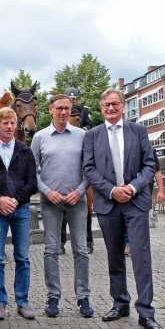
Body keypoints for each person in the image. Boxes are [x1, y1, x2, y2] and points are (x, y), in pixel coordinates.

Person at [83, 88, 160, 329]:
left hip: (135, 203)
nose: (111, 108)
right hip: (108, 203)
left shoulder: (138, 131)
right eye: (106, 105)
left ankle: (146, 312)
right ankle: (120, 302)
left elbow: (150, 165)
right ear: (101, 107)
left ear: (123, 106)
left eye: (115, 104)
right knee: (114, 256)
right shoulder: (92, 135)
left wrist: (133, 187)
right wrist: (111, 190)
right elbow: (89, 169)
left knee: (140, 256)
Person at [31, 94, 94, 319]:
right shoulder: (40, 137)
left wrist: (79, 192)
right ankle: (53, 296)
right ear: (50, 110)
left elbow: (90, 169)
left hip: (77, 201)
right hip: (51, 202)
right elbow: (32, 171)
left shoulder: (82, 136)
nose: (63, 112)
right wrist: (47, 192)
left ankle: (83, 297)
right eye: (59, 108)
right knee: (51, 250)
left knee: (81, 250)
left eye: (67, 108)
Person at [0, 107, 37, 320]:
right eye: (5, 123)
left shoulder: (25, 150)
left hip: (20, 209)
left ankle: (23, 301)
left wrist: (16, 200)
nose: (10, 126)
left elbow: (32, 182)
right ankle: (0, 302)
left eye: (12, 123)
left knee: (22, 257)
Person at [60, 105, 94, 254]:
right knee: (61, 209)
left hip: (82, 174)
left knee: (88, 209)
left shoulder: (84, 133)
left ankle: (88, 239)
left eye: (75, 118)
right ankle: (61, 241)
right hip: (64, 175)